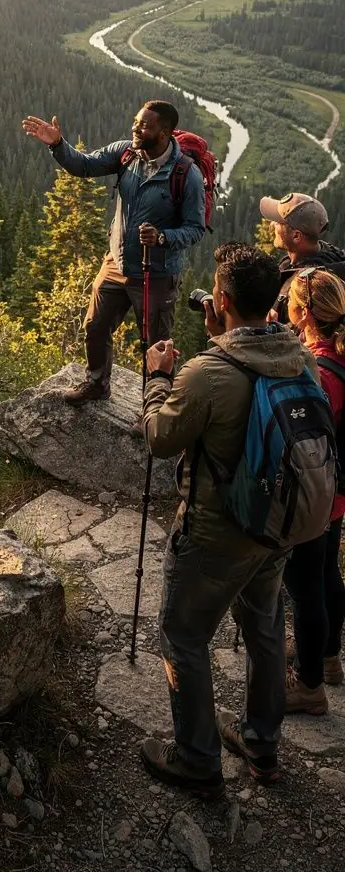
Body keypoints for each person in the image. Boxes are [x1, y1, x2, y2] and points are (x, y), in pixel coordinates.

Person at [140, 242, 319, 795]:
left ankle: (198, 760)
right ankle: (262, 748)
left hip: (215, 536)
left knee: (184, 637)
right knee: (264, 631)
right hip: (275, 528)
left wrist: (156, 379)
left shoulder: (205, 374)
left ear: (219, 298)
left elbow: (160, 439)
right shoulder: (301, 357)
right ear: (272, 302)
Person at [22, 100, 205, 403]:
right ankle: (96, 385)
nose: (136, 127)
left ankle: (154, 407)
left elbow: (195, 228)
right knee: (95, 326)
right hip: (116, 264)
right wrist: (57, 144)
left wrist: (162, 237)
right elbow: (84, 165)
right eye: (136, 121)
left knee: (156, 345)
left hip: (156, 273)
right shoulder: (126, 154)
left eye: (145, 125)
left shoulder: (186, 175)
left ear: (164, 133)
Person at [281, 268, 345, 713]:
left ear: (303, 312)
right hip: (338, 491)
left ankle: (308, 687)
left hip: (317, 492)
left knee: (304, 588)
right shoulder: (337, 355)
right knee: (327, 573)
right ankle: (329, 658)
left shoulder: (318, 372)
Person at [259, 191, 345, 321]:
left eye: (278, 222)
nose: (272, 224)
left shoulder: (308, 289)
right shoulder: (334, 257)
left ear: (296, 236)